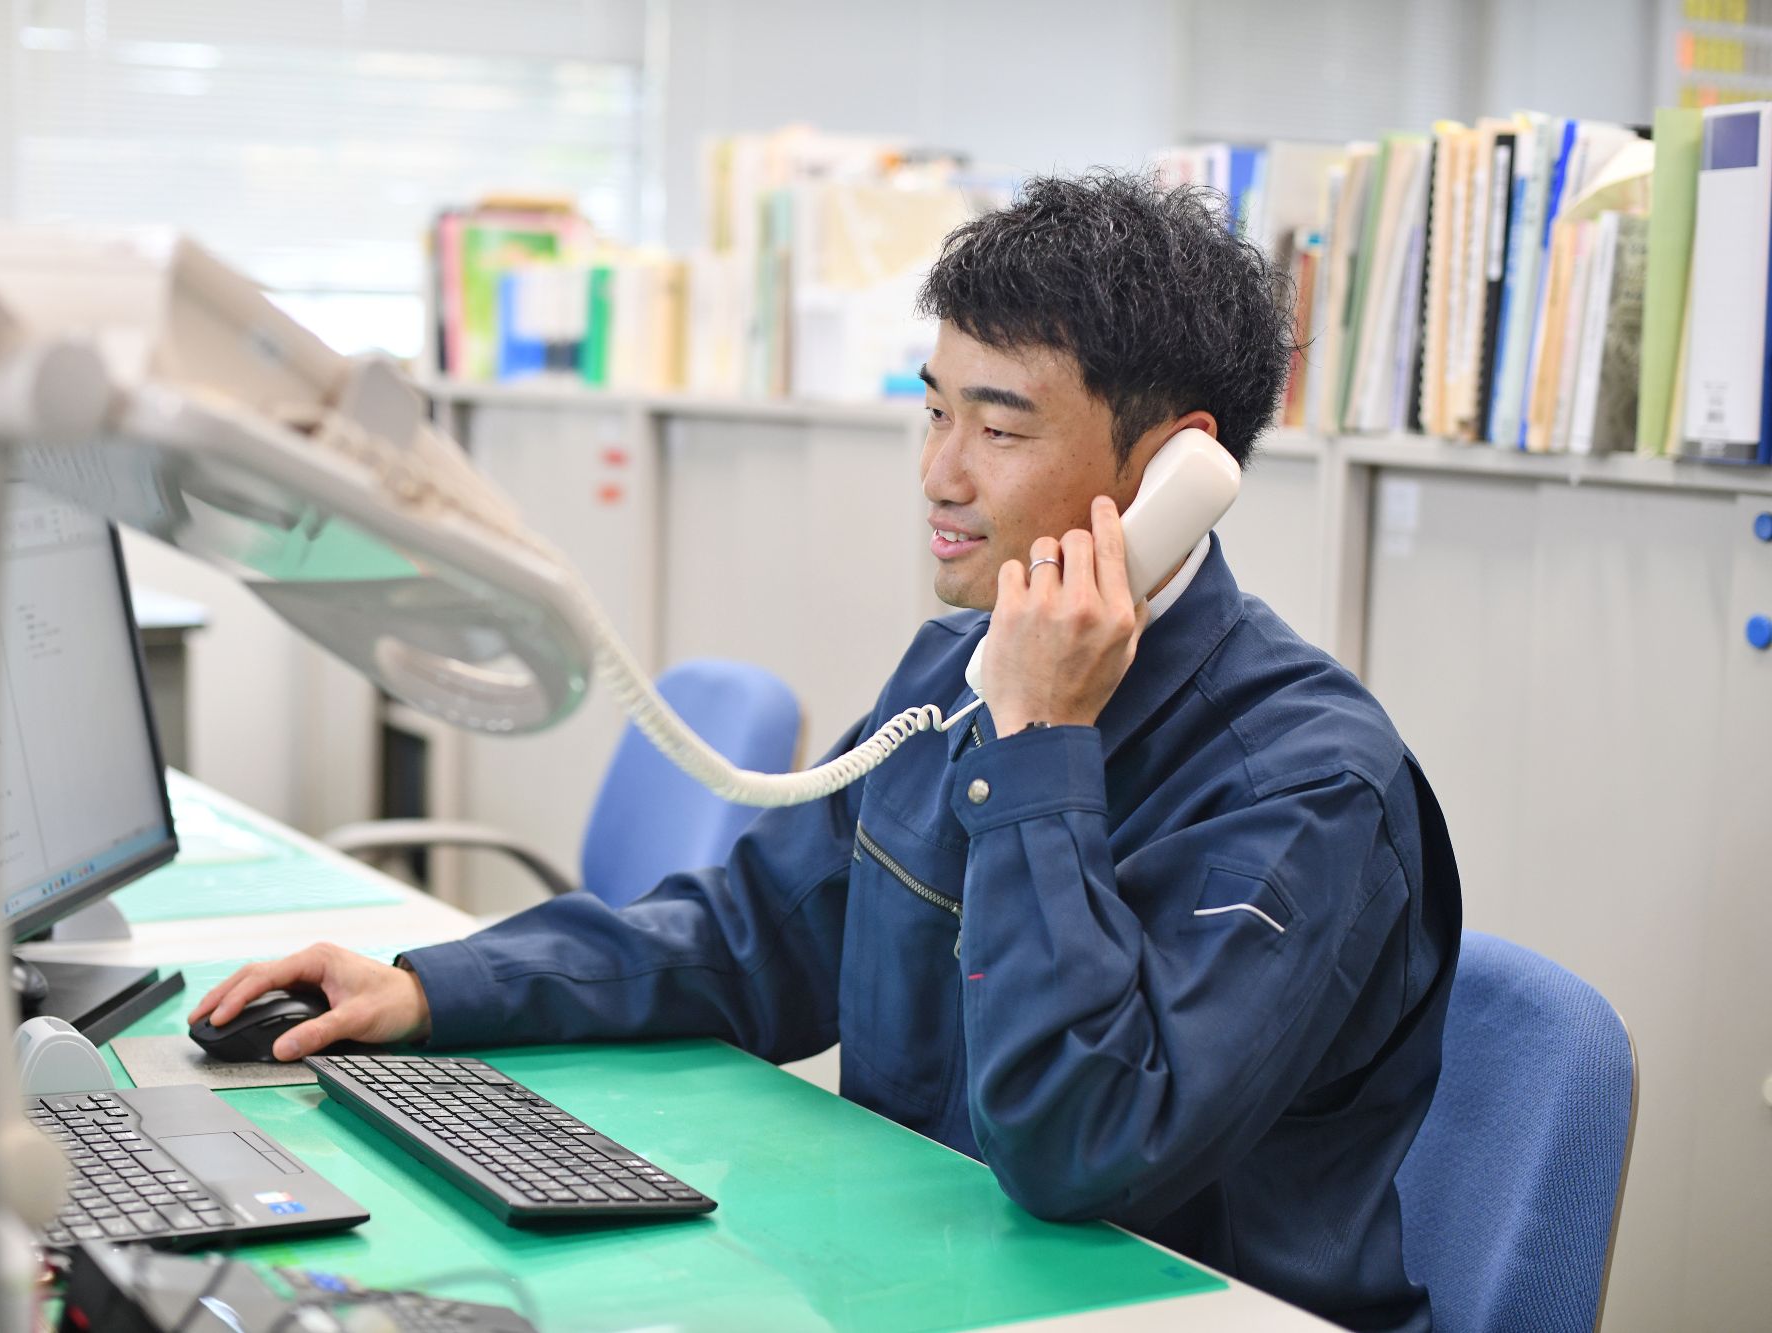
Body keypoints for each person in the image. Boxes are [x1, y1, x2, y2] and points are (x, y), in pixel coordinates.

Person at [192, 172, 1461, 1333]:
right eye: (932, 411)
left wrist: (1044, 742)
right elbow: (753, 936)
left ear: (1170, 467)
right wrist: (429, 989)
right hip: (921, 1283)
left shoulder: (1302, 783)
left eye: (999, 430)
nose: (938, 475)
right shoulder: (956, 677)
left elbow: (1084, 1146)